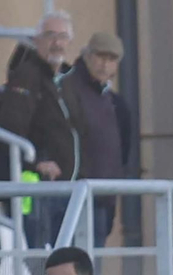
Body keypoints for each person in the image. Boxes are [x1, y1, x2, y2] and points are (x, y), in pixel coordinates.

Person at [0, 11, 78, 248]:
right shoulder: (27, 76)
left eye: (62, 37)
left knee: (62, 257)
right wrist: (37, 162)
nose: (57, 43)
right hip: (35, 185)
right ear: (36, 40)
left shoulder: (64, 80)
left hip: (63, 185)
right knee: (39, 260)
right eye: (50, 35)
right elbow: (11, 127)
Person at [59, 32, 133, 244]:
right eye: (101, 57)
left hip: (102, 197)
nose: (105, 65)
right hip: (72, 195)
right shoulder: (67, 88)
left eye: (112, 59)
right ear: (87, 55)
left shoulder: (114, 102)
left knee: (90, 270)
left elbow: (123, 150)